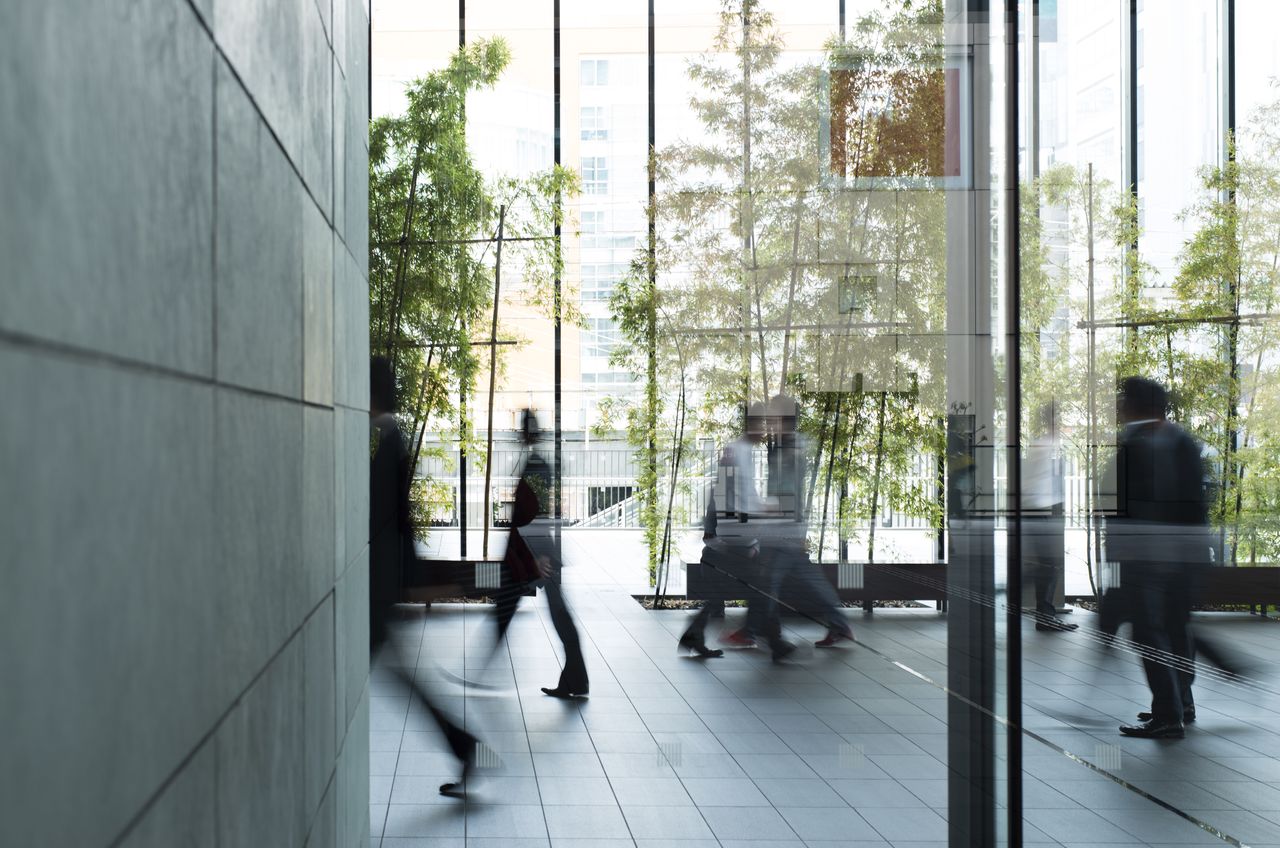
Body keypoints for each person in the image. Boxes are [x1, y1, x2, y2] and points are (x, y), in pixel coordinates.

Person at [368, 356, 478, 796]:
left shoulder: (392, 439)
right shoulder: (390, 436)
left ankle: (467, 747)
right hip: (384, 581)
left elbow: (392, 518)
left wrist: (403, 581)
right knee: (407, 680)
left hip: (380, 583)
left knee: (403, 680)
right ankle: (465, 746)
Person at [1107, 377, 1208, 739]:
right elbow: (1196, 505)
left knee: (1149, 633)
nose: (1119, 406)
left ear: (1138, 406)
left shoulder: (1136, 444)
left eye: (1123, 400)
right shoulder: (1182, 441)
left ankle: (1167, 715)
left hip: (1147, 559)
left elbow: (1123, 510)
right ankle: (1182, 702)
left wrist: (1117, 561)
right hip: (1181, 558)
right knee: (1176, 629)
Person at [511, 410, 590, 699]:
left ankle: (576, 681)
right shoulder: (538, 462)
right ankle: (576, 681)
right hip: (538, 553)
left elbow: (540, 513)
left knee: (558, 615)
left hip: (540, 556)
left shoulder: (536, 465)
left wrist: (540, 555)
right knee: (558, 615)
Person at [1022, 402, 1077, 632]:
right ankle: (1044, 615)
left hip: (1041, 511)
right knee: (1050, 564)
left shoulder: (1044, 443)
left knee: (1049, 564)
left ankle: (1045, 614)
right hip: (1040, 511)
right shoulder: (1044, 443)